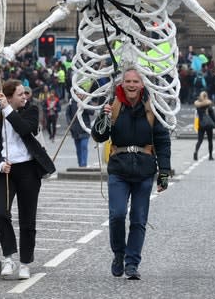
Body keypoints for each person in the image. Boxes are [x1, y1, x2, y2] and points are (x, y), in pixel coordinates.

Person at [91, 67, 171, 280]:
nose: (132, 85)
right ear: (122, 83)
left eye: (136, 81)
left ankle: (132, 263)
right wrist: (104, 118)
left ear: (142, 84)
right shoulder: (113, 104)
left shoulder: (152, 107)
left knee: (138, 219)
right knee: (117, 215)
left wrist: (164, 173)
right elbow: (98, 137)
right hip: (119, 168)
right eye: (128, 81)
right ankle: (119, 253)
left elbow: (162, 141)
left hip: (145, 169)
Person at [0, 79, 56, 280]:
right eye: (20, 94)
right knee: (1, 215)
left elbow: (26, 129)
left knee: (27, 219)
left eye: (25, 93)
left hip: (28, 171)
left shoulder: (31, 111)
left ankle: (25, 262)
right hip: (6, 172)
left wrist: (8, 111)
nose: (25, 96)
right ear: (8, 98)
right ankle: (8, 257)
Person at [65, 92, 93, 167]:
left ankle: (84, 164)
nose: (79, 95)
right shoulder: (71, 101)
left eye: (80, 94)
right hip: (75, 129)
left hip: (85, 128)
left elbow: (92, 112)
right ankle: (80, 164)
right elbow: (67, 113)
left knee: (84, 146)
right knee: (78, 149)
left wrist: (84, 106)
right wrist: (69, 123)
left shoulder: (87, 101)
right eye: (77, 94)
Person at [193, 91, 215, 161]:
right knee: (210, 140)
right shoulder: (208, 105)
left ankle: (196, 152)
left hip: (201, 124)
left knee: (199, 140)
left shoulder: (198, 106)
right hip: (208, 125)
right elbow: (213, 116)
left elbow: (197, 115)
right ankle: (210, 156)